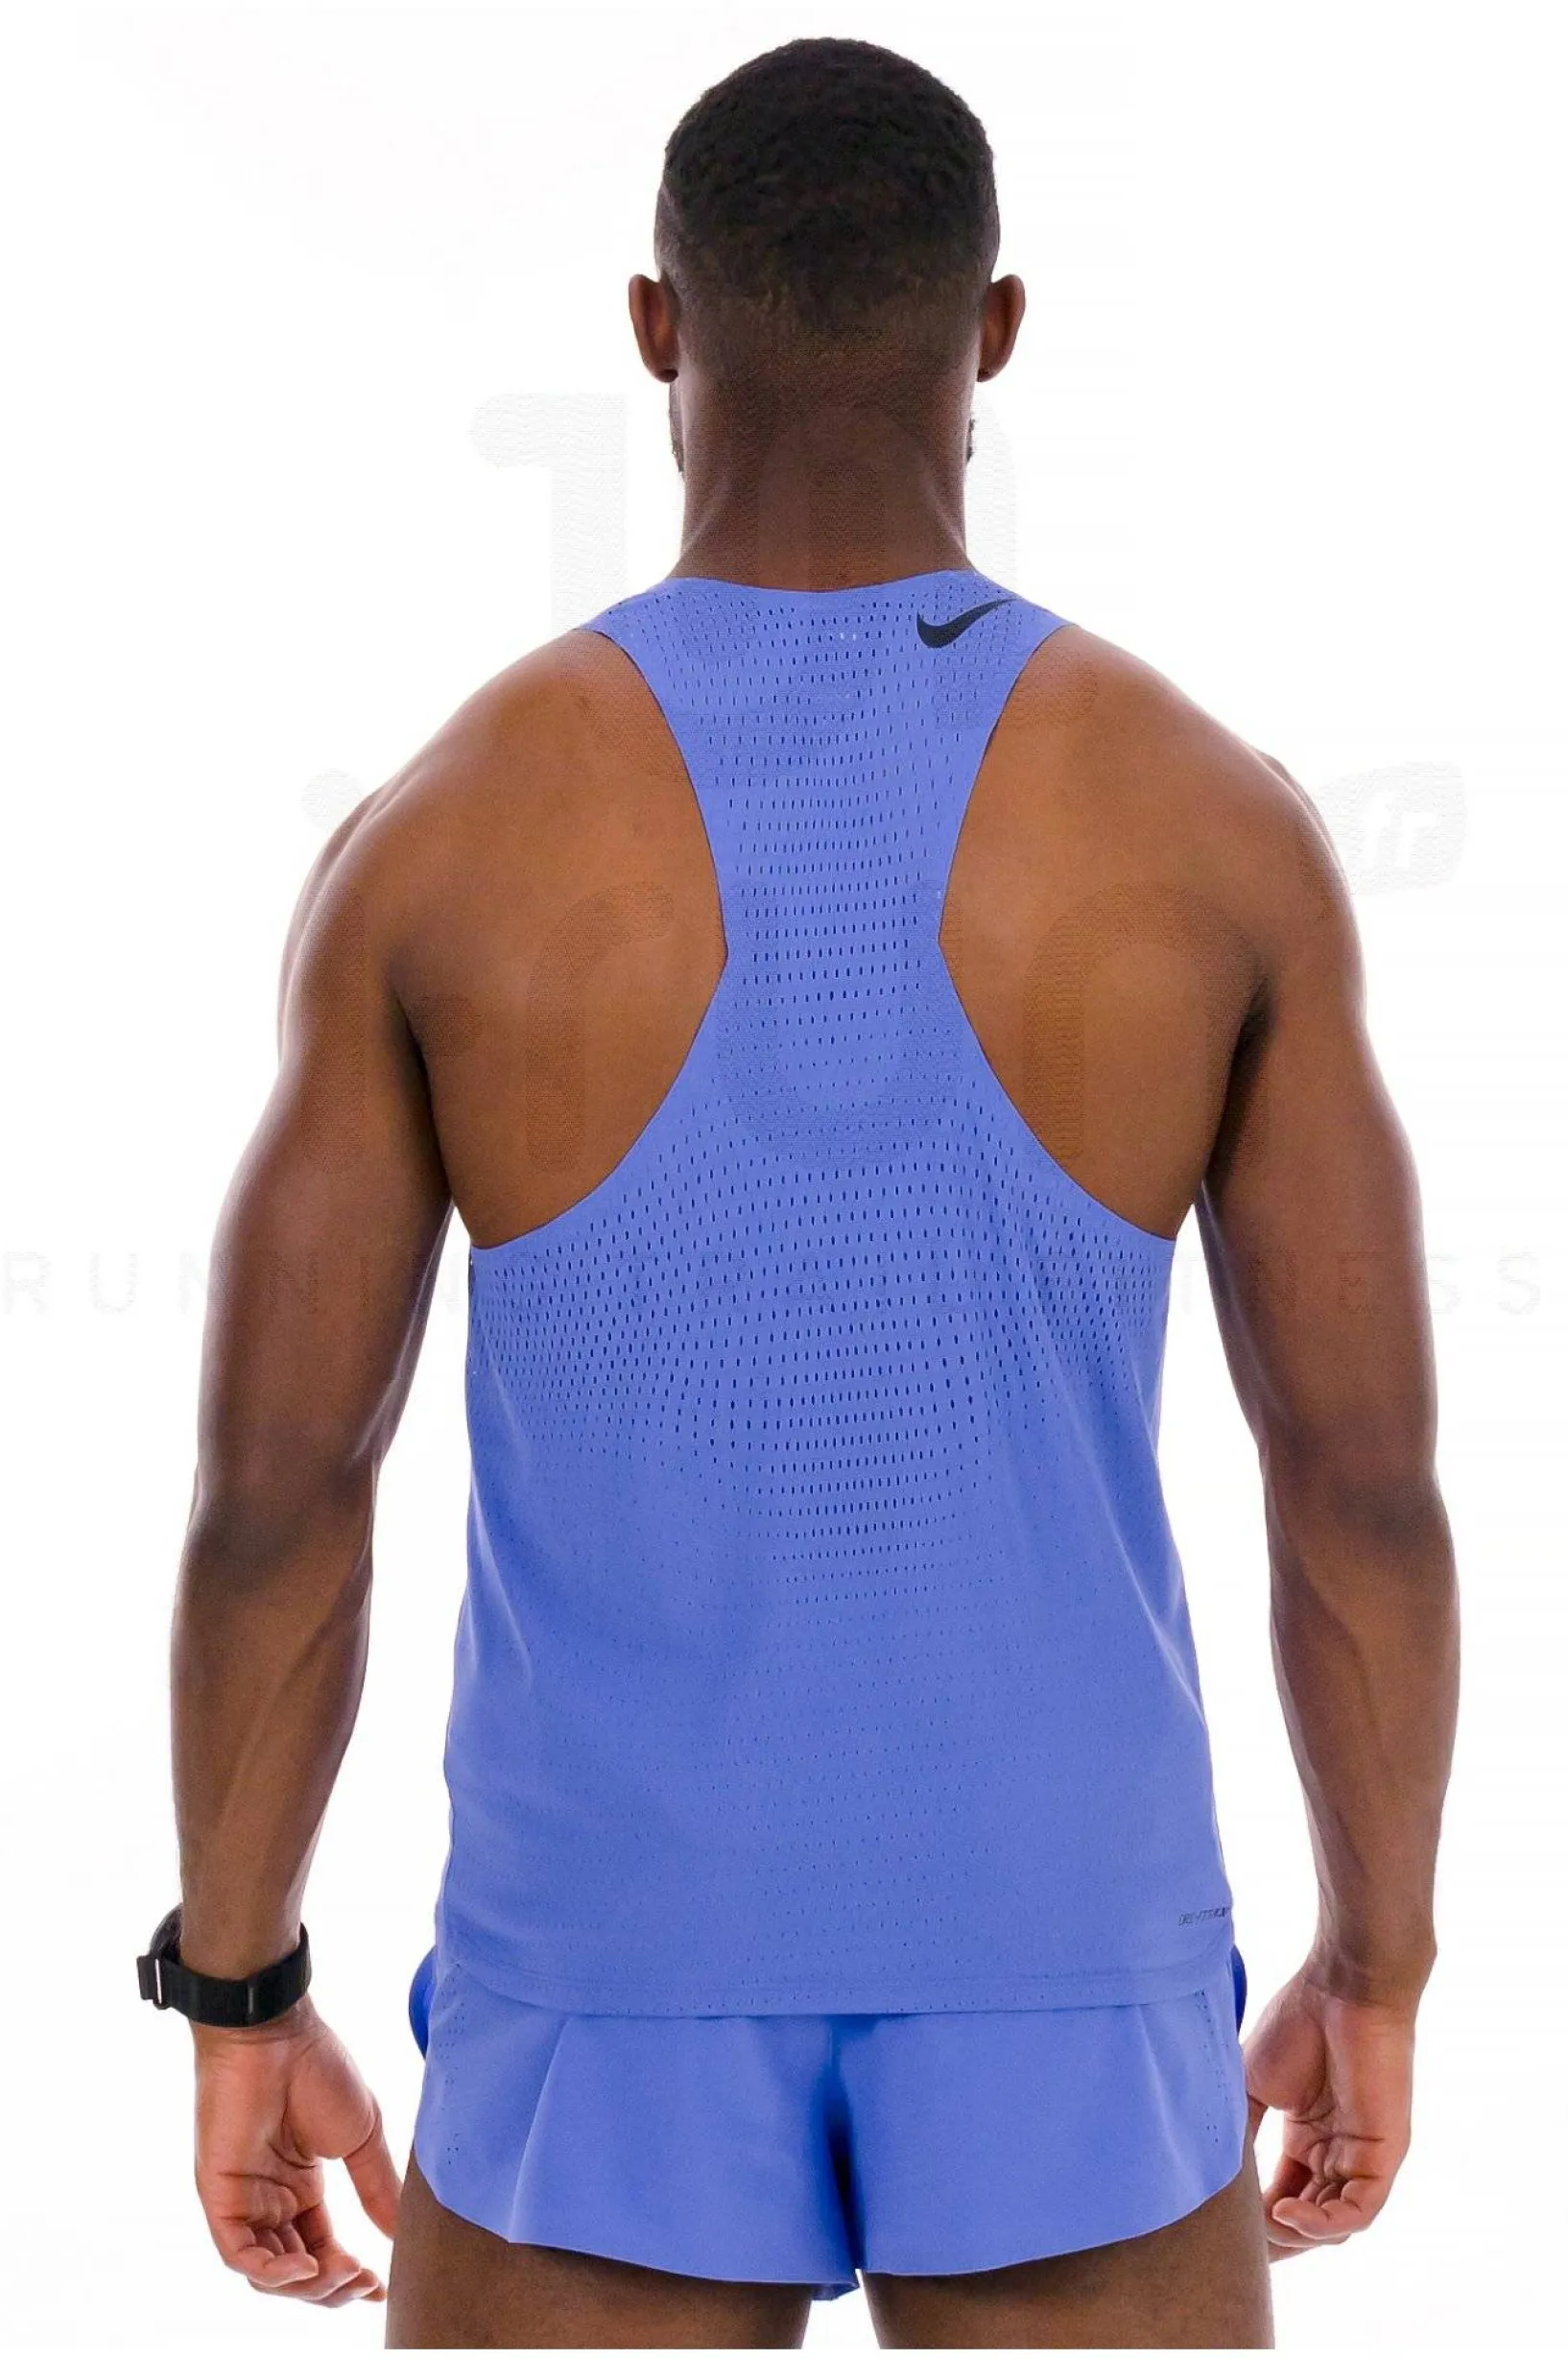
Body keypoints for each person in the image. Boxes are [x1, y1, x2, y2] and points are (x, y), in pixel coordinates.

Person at [139, 36, 1460, 2350]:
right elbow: (1357, 1489)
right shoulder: (1211, 826)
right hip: (1060, 1938)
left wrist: (239, 1986)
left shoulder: (438, 839)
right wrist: (1378, 1956)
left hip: (602, 1951)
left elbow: (276, 1502)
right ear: (993, 329)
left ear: (656, 323)